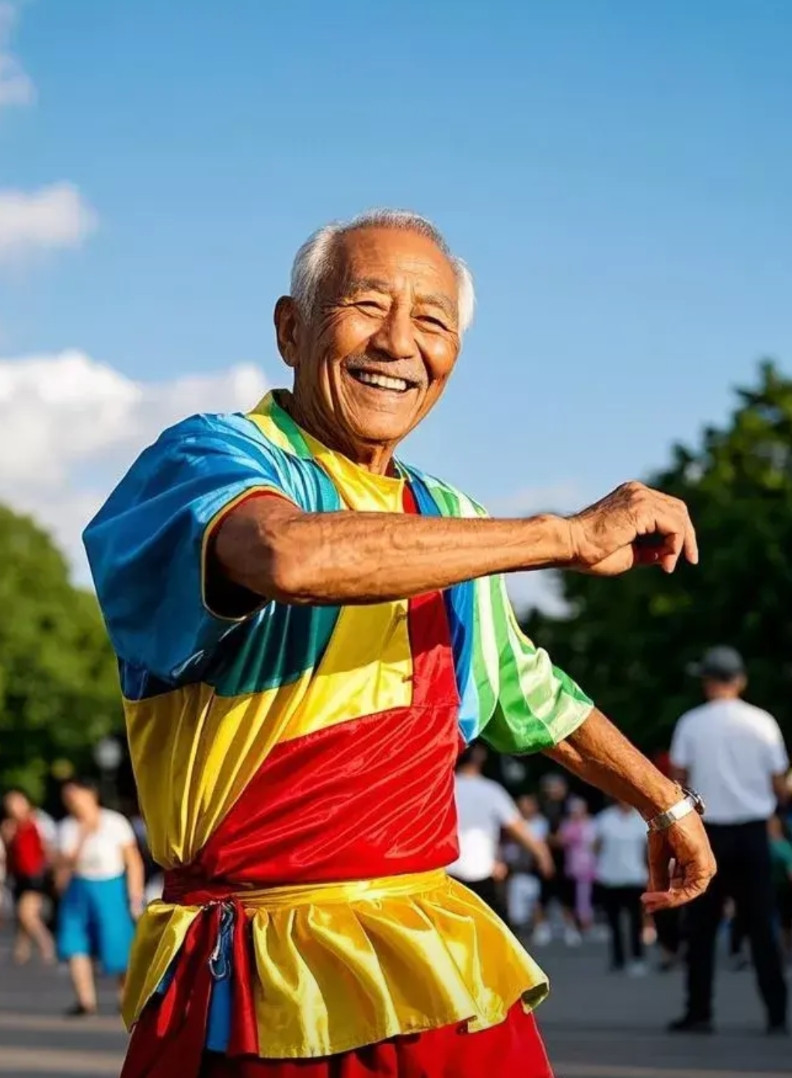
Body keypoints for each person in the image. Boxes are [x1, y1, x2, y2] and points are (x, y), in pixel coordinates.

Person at [84, 209, 714, 1078]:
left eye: (432, 321)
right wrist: (562, 536)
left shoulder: (447, 515)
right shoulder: (207, 456)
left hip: (427, 948)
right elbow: (288, 554)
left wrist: (665, 804)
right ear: (290, 328)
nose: (397, 344)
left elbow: (524, 690)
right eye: (367, 304)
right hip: (265, 973)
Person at [668, 646, 789, 1034]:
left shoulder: (691, 723)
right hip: (753, 833)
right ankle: (776, 1012)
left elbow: (677, 780)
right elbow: (779, 784)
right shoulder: (763, 723)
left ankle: (699, 1011)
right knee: (761, 925)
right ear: (740, 680)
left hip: (709, 833)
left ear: (707, 681)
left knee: (701, 925)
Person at [56, 778, 144, 1016]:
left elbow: (132, 859)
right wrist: (83, 834)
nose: (72, 802)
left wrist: (135, 894)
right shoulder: (67, 827)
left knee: (117, 943)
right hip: (80, 885)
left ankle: (125, 996)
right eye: (68, 798)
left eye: (76, 796)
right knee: (75, 943)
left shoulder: (114, 822)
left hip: (111, 885)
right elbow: (64, 862)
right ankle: (85, 1000)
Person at [449, 743, 554, 919]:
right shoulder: (491, 790)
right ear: (480, 757)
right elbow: (518, 827)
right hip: (482, 872)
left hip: (447, 872)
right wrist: (542, 854)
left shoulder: (443, 788)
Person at [1, 789, 55, 965]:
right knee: (23, 913)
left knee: (26, 913)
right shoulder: (9, 826)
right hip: (19, 875)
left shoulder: (38, 820)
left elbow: (49, 845)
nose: (14, 807)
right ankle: (21, 948)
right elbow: (9, 854)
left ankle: (46, 943)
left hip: (36, 874)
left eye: (17, 802)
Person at [594, 800, 649, 975]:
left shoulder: (641, 820)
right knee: (614, 922)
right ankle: (618, 959)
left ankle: (637, 957)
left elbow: (647, 849)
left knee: (636, 921)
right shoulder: (605, 819)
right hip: (610, 877)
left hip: (635, 877)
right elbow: (596, 845)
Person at [503, 794, 550, 939]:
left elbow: (539, 843)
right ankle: (518, 931)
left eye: (528, 805)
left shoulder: (540, 823)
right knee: (515, 908)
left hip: (532, 869)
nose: (525, 808)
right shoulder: (514, 822)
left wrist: (545, 860)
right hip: (515, 869)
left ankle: (540, 926)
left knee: (535, 900)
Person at [558, 797, 597, 935]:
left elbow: (596, 844)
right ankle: (577, 921)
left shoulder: (592, 823)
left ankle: (585, 920)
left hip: (589, 864)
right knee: (574, 895)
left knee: (585, 894)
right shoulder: (567, 824)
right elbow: (561, 841)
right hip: (573, 864)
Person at [768, 815, 792, 964]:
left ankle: (784, 950)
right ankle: (781, 951)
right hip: (772, 888)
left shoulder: (783, 846)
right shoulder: (769, 845)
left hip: (784, 889)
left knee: (785, 922)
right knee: (780, 922)